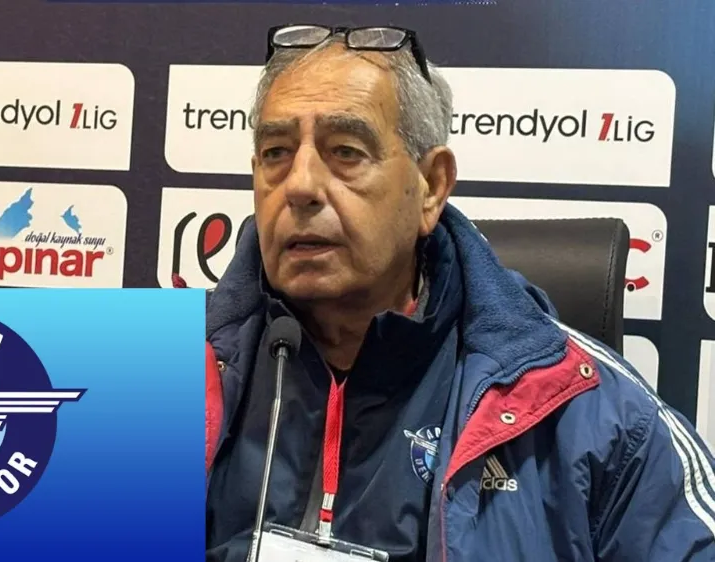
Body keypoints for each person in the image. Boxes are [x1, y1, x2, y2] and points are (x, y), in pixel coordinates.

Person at [198, 24, 715, 562]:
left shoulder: (595, 412)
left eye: (346, 152)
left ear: (432, 186)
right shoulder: (158, 371)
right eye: (276, 152)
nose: (300, 184)